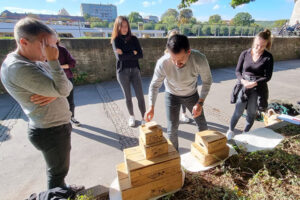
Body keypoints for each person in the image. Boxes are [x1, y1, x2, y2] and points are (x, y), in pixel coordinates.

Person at [0, 17, 84, 192]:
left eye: (52, 47)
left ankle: (62, 189)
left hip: (53, 126)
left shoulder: (32, 59)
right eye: (45, 46)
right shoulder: (18, 67)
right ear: (24, 42)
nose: (48, 53)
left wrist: (55, 93)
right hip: (50, 130)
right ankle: (59, 194)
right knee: (57, 172)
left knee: (57, 169)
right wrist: (54, 63)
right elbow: (63, 88)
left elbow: (65, 87)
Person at [145, 34, 213, 150]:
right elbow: (154, 85)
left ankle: (206, 152)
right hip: (171, 95)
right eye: (173, 59)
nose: (177, 63)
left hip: (191, 95)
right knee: (172, 129)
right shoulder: (163, 62)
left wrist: (200, 102)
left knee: (202, 124)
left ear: (188, 52)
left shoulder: (199, 59)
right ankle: (174, 158)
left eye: (181, 59)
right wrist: (151, 106)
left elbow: (207, 81)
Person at [226, 29, 274, 140]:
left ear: (267, 44)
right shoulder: (244, 53)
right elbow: (238, 71)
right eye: (257, 45)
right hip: (244, 85)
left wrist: (255, 83)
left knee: (252, 113)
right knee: (238, 111)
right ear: (254, 41)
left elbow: (268, 76)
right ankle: (230, 130)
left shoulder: (268, 57)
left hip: (257, 88)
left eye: (262, 46)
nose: (259, 48)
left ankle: (245, 133)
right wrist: (243, 81)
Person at [111, 16, 146, 127]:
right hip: (122, 72)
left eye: (126, 26)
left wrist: (126, 53)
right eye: (122, 26)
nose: (125, 28)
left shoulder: (134, 39)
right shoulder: (115, 40)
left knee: (140, 96)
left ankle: (144, 118)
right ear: (118, 27)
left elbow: (141, 55)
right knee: (128, 97)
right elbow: (119, 58)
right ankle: (131, 117)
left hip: (135, 71)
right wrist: (133, 53)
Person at [165, 30, 193, 124]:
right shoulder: (167, 54)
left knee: (184, 96)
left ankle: (184, 114)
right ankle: (174, 118)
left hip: (184, 81)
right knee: (173, 101)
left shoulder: (185, 53)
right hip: (172, 83)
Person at [56, 40, 80, 126]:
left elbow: (72, 63)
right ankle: (62, 121)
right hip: (52, 80)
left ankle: (72, 117)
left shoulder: (62, 50)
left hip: (67, 78)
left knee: (70, 100)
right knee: (57, 102)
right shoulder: (42, 51)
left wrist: (59, 67)